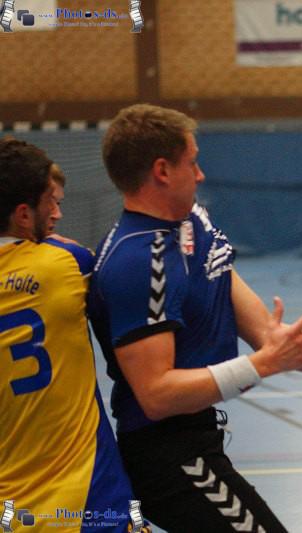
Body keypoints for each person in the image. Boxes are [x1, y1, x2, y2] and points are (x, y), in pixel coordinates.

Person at [87, 103, 302, 533]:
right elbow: (156, 395)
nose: (201, 174)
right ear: (162, 171)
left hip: (200, 438)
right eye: (192, 162)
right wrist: (261, 366)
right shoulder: (138, 262)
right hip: (169, 458)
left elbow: (266, 333)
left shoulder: (193, 222)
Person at [0, 138, 140, 532]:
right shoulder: (67, 263)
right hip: (87, 493)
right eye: (51, 203)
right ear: (23, 214)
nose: (58, 213)